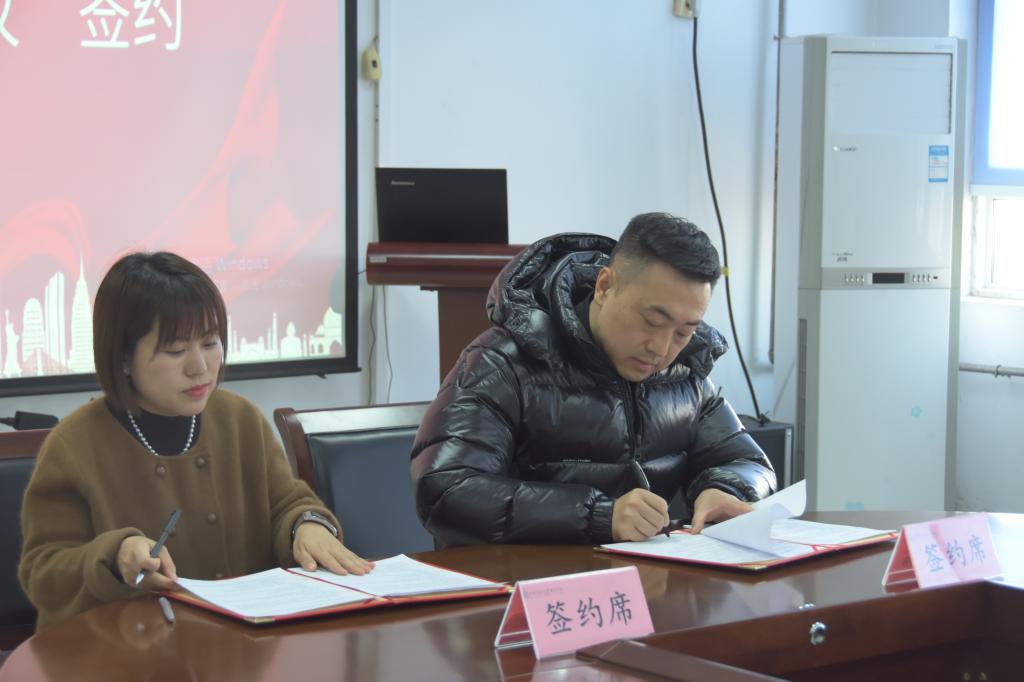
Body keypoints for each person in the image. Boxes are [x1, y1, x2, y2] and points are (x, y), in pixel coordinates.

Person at [19, 252, 371, 628]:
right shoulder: (74, 445)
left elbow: (289, 504)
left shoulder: (240, 419)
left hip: (243, 645)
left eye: (210, 342)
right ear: (123, 358)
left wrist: (307, 526)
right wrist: (115, 555)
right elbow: (43, 571)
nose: (200, 367)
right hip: (126, 649)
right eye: (175, 350)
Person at [410, 213, 776, 547]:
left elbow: (749, 463)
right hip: (523, 586)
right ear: (604, 286)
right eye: (652, 321)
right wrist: (598, 516)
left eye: (683, 331)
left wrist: (724, 489)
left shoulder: (684, 370)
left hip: (644, 582)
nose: (661, 349)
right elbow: (447, 491)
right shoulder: (503, 361)